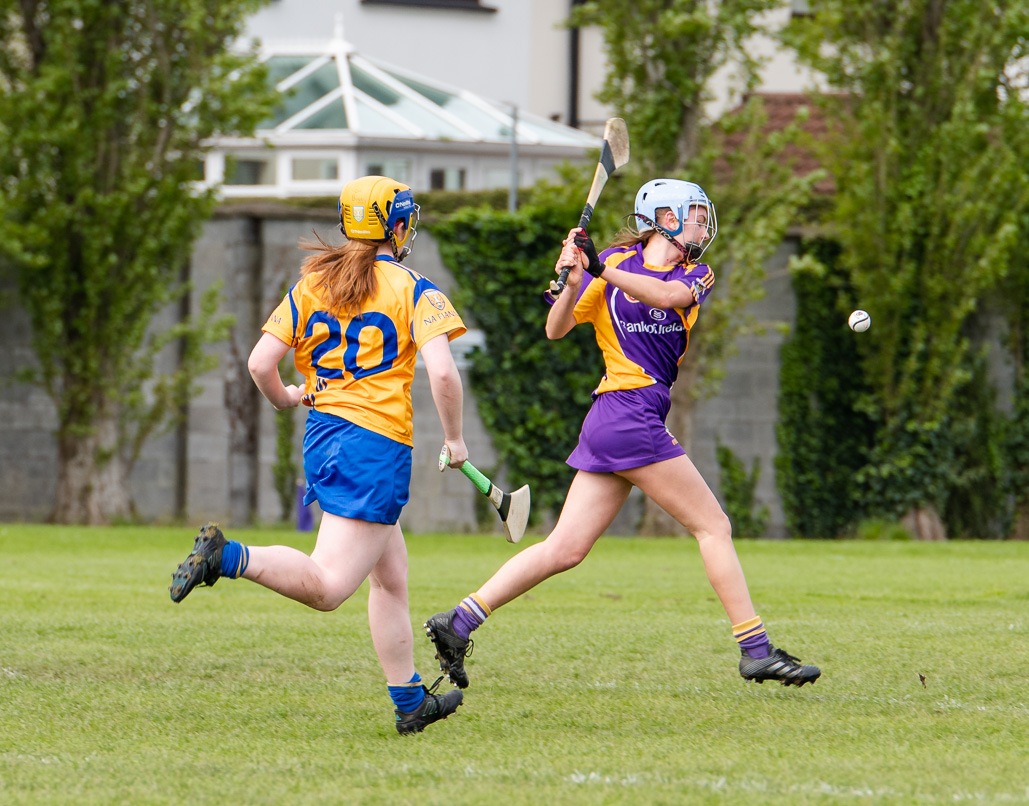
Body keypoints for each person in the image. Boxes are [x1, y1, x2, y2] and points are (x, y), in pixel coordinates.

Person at [423, 178, 821, 692]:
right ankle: (756, 650)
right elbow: (556, 328)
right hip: (625, 412)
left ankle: (458, 624)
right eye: (696, 215)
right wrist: (571, 282)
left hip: (623, 418)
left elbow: (667, 295)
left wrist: (597, 267)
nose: (705, 224)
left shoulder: (693, 274)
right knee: (713, 526)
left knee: (564, 549)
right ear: (665, 218)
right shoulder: (610, 263)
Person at [170, 176, 468, 735]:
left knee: (391, 576)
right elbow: (445, 374)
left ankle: (410, 703)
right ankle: (226, 557)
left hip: (325, 435)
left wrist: (286, 397)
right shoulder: (416, 289)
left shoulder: (313, 282)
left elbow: (262, 364)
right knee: (331, 588)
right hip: (375, 445)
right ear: (397, 226)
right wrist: (455, 441)